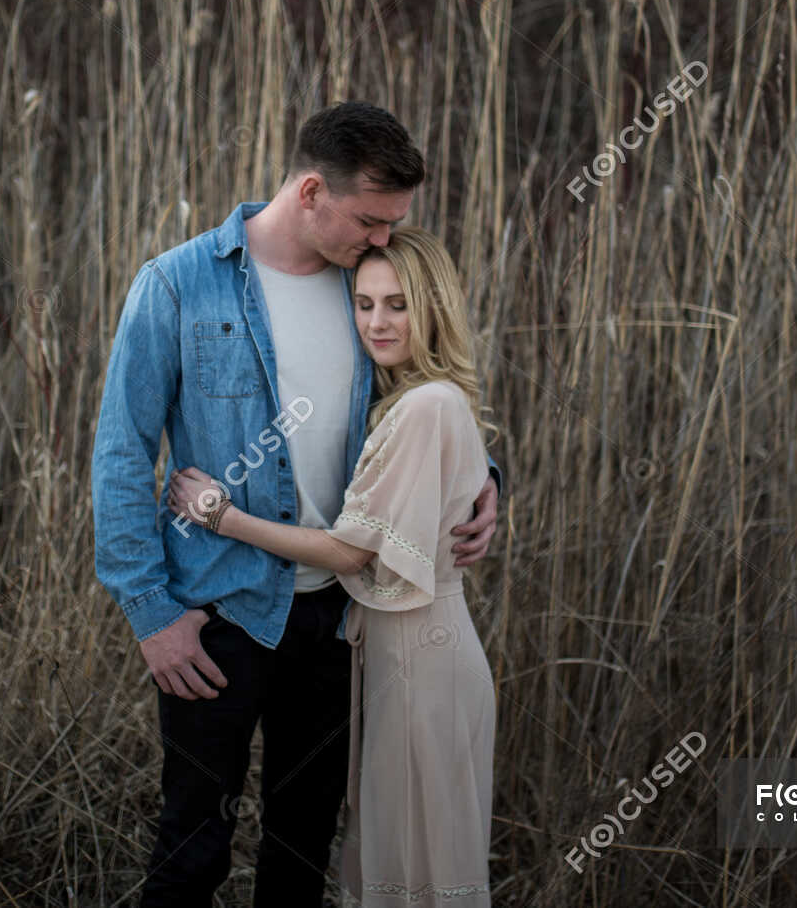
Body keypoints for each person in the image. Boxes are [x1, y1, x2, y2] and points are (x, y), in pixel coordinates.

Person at [91, 102, 504, 907]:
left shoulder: (369, 285)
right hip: (218, 614)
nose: (384, 240)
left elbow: (421, 398)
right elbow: (121, 455)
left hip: (337, 618)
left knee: (302, 846)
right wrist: (150, 612)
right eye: (371, 219)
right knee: (191, 846)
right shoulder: (178, 285)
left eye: (394, 225)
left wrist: (485, 477)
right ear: (311, 191)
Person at [167, 225, 501, 907]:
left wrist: (220, 516)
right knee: (399, 859)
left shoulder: (428, 405)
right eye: (366, 303)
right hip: (395, 658)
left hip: (422, 665)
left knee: (419, 867)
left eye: (399, 305)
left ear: (433, 306)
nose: (377, 322)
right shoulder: (410, 400)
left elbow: (350, 550)